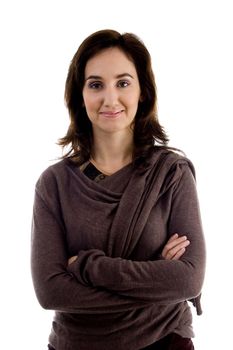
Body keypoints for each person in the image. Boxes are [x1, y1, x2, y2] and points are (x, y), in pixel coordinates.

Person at [31, 29, 206, 350]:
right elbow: (51, 292)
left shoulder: (171, 173)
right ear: (79, 95)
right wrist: (155, 277)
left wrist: (83, 267)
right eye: (96, 84)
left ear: (142, 91)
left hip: (165, 341)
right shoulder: (54, 184)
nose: (110, 99)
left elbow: (188, 279)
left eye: (123, 83)